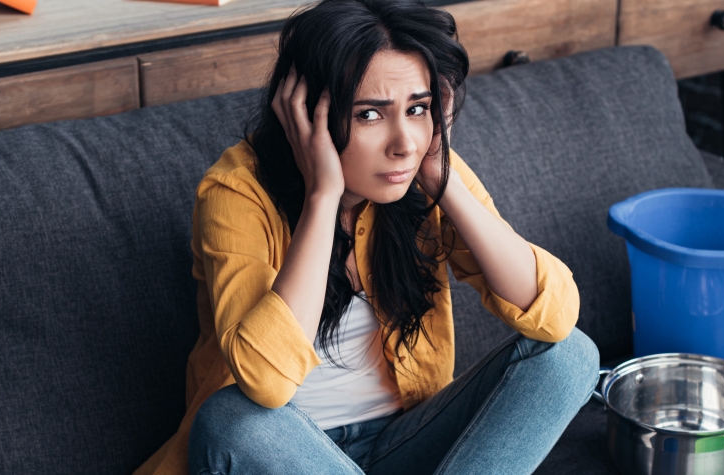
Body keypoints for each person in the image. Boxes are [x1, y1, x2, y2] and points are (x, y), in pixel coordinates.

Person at [134, 1, 598, 474]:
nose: (405, 143)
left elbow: (555, 317)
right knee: (234, 419)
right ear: (308, 114)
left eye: (417, 108)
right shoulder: (236, 192)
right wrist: (322, 196)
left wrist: (443, 181)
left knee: (570, 357)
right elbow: (266, 386)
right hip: (285, 456)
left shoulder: (423, 169)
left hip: (405, 443)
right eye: (370, 116)